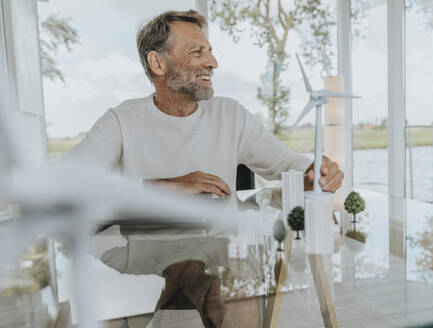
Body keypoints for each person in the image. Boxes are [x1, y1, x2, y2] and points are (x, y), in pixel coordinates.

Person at [65, 10, 344, 327]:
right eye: (197, 52)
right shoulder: (121, 120)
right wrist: (166, 185)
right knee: (101, 300)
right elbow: (66, 182)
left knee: (240, 290)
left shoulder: (230, 114)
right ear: (158, 63)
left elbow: (284, 163)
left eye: (210, 51)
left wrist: (313, 171)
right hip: (142, 253)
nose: (213, 62)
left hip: (220, 252)